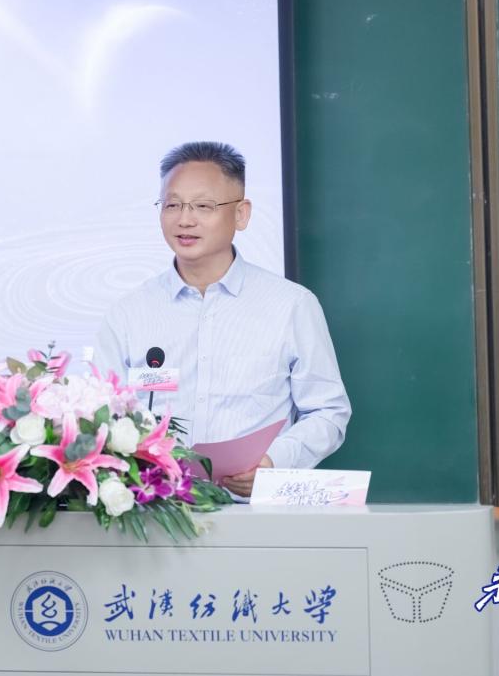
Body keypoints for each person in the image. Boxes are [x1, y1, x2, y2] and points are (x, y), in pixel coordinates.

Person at [94, 141, 350, 497]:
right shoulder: (128, 314)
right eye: (172, 205)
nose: (185, 219)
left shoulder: (291, 305)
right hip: (155, 513)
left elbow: (328, 411)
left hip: (255, 513)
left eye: (203, 206)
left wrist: (274, 462)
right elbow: (100, 415)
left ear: (241, 214)